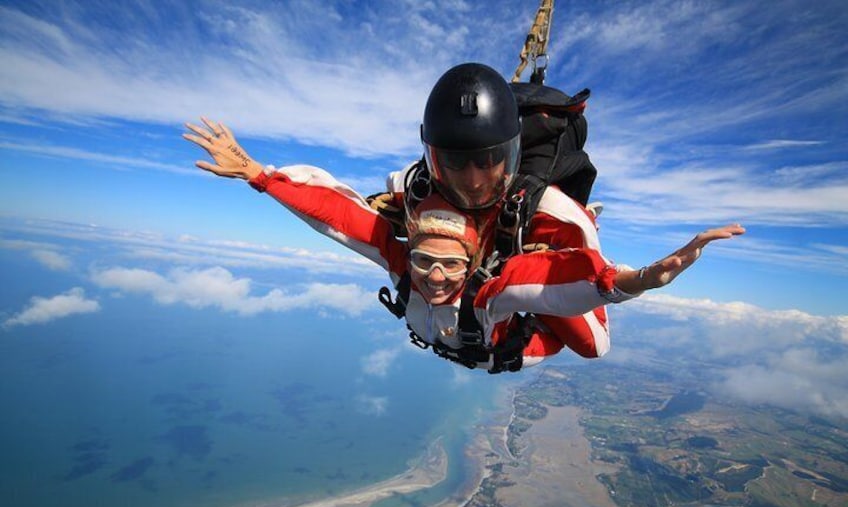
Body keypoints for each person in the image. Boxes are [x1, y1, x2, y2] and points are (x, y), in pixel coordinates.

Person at [182, 117, 745, 372]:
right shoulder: (403, 262)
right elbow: (337, 215)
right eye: (425, 260)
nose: (433, 276)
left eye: (449, 264)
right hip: (470, 339)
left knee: (593, 346)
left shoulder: (492, 291)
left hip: (513, 335)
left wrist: (643, 277)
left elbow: (563, 285)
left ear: (473, 260)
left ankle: (553, 241)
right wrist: (259, 174)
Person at [383, 62, 613, 358]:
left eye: (488, 160)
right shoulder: (416, 186)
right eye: (455, 162)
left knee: (587, 344)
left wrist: (525, 279)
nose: (473, 182)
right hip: (464, 308)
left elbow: (597, 341)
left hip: (517, 284)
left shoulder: (556, 214)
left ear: (510, 153)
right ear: (433, 159)